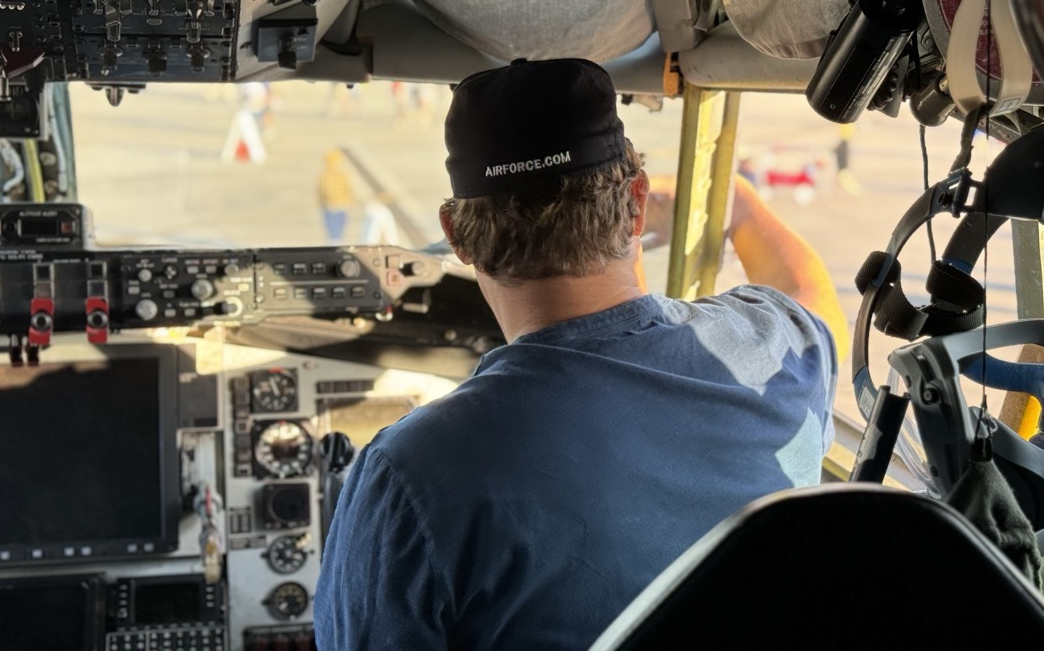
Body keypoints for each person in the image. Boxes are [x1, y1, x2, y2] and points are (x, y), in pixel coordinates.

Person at [315, 58, 847, 650]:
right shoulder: (771, 350)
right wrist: (741, 206)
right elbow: (814, 300)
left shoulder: (412, 473)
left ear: (457, 234)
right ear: (637, 205)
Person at [317, 150, 354, 242]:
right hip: (336, 206)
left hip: (334, 207)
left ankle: (335, 246)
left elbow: (321, 192)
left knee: (334, 232)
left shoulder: (325, 175)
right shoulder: (334, 175)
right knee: (336, 232)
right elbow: (348, 189)